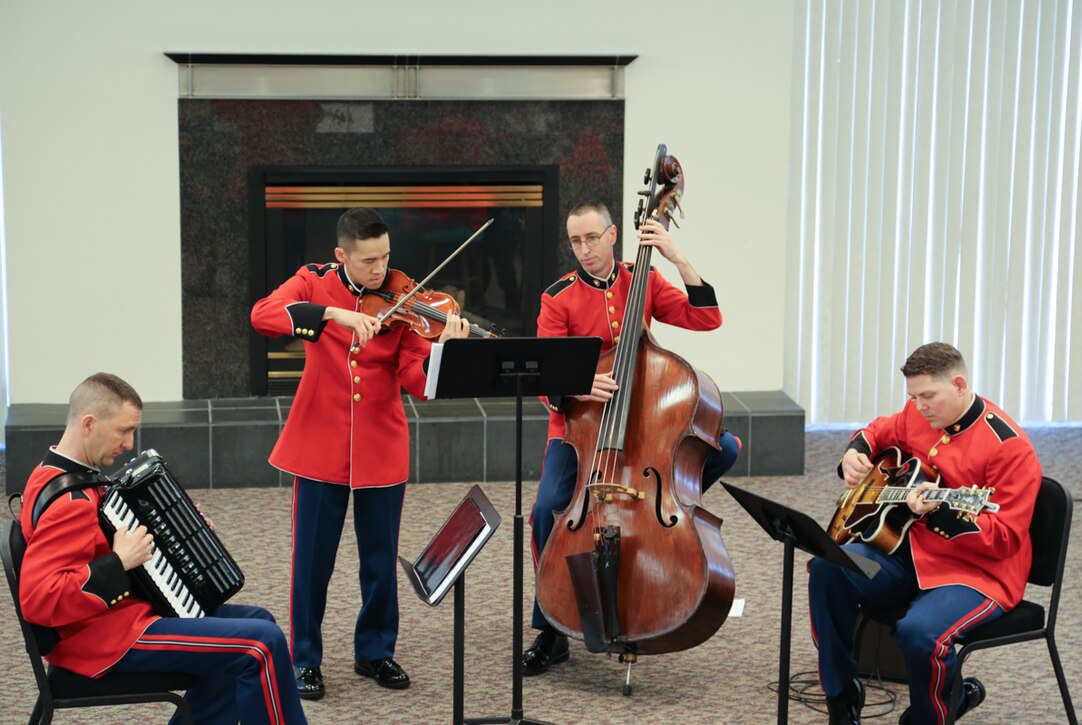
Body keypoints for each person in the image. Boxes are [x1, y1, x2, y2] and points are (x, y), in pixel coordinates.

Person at [251, 207, 470, 700]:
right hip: (319, 447)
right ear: (341, 255)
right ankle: (304, 659)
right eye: (368, 261)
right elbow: (263, 315)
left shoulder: (406, 295)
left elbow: (415, 379)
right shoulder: (313, 281)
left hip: (380, 446)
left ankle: (374, 651)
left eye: (385, 257)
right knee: (312, 562)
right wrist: (334, 313)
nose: (380, 270)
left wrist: (442, 353)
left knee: (378, 561)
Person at [523, 200, 742, 675]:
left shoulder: (639, 278)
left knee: (727, 449)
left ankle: (658, 511)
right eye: (575, 241)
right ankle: (551, 628)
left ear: (613, 234)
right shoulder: (557, 298)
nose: (584, 249)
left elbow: (705, 319)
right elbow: (544, 377)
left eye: (592, 238)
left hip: (645, 427)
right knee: (546, 510)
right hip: (580, 429)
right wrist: (579, 386)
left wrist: (677, 258)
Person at [18, 373, 306, 725]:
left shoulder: (48, 473)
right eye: (123, 431)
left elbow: (93, 543)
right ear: (89, 423)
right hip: (103, 641)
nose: (129, 444)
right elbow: (38, 599)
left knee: (259, 621)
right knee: (258, 645)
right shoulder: (70, 503)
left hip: (117, 619)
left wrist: (186, 528)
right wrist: (119, 562)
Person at [808, 342, 1041, 725]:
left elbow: (1005, 539)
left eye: (928, 396)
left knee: (921, 633)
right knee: (830, 568)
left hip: (976, 575)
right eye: (913, 397)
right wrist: (854, 451)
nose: (919, 407)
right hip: (905, 554)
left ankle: (931, 716)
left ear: (961, 385)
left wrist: (941, 514)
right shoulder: (917, 415)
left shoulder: (1009, 448)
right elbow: (878, 431)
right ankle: (842, 697)